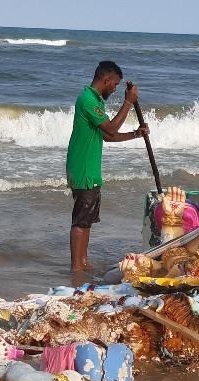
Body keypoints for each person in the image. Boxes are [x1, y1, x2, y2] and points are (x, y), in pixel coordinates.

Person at [66, 61, 149, 272]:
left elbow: (107, 136)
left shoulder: (95, 102)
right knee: (81, 220)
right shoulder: (87, 100)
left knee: (87, 221)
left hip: (90, 169)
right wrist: (128, 103)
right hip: (84, 168)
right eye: (115, 85)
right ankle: (77, 267)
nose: (114, 89)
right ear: (107, 80)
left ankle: (83, 263)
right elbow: (111, 128)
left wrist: (135, 134)